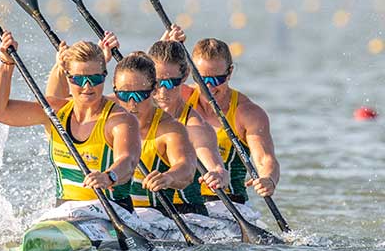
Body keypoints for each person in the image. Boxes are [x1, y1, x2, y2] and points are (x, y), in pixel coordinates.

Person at [0, 31, 141, 212]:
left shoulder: (121, 120)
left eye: (95, 78)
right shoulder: (54, 111)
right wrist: (7, 63)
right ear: (68, 78)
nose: (87, 86)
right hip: (66, 213)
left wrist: (109, 177)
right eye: (79, 79)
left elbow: (127, 160)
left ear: (105, 76)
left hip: (114, 212)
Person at [47, 40, 201, 215]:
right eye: (124, 95)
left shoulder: (171, 128)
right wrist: (61, 68)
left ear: (153, 91)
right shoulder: (112, 114)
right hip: (130, 213)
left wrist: (168, 177)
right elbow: (58, 101)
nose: (131, 103)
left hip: (175, 214)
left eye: (140, 94)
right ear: (115, 92)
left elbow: (186, 168)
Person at [164, 27, 280, 202]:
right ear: (191, 74)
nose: (209, 87)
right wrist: (166, 47)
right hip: (182, 205)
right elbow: (147, 86)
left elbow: (265, 158)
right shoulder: (179, 98)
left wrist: (268, 179)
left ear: (230, 72)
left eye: (216, 80)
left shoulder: (247, 113)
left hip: (228, 203)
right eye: (202, 79)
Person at [147, 38, 229, 208]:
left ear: (184, 77)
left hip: (186, 213)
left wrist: (218, 173)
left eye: (171, 83)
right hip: (144, 211)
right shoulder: (134, 108)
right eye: (157, 83)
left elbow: (212, 161)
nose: (162, 92)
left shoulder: (195, 126)